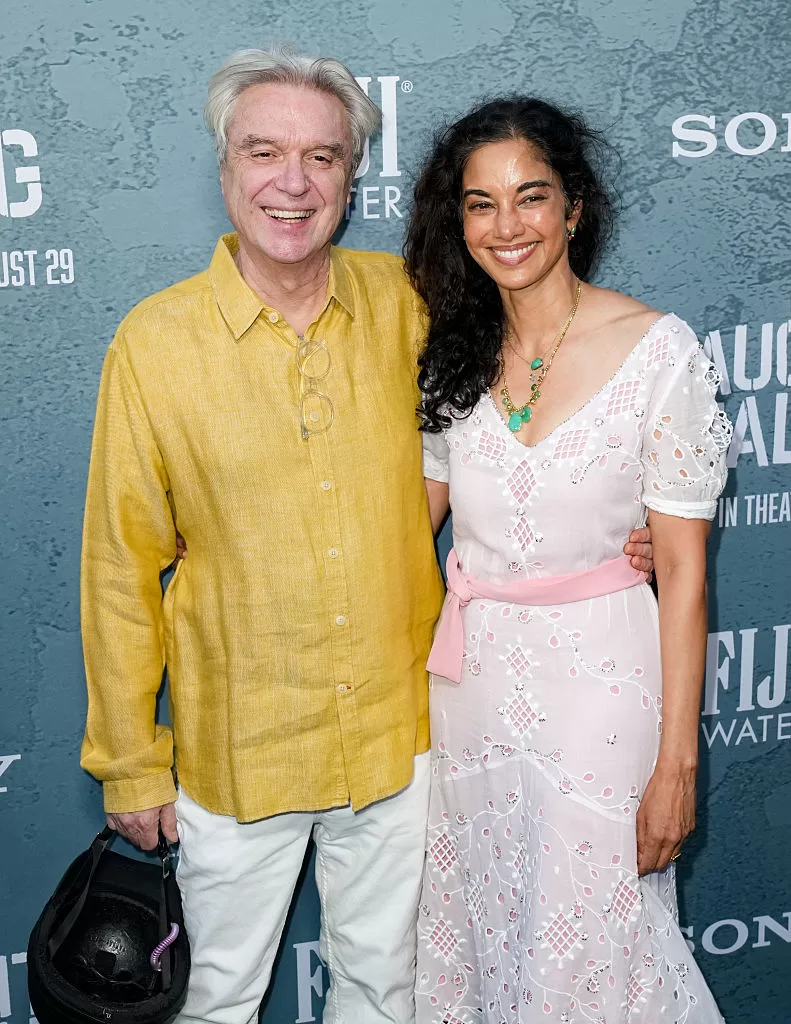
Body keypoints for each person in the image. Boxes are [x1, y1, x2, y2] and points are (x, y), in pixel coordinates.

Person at [79, 48, 653, 1024]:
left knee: (385, 995)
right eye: (264, 152)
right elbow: (117, 569)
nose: (293, 182)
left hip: (400, 741)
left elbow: (525, 398)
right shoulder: (155, 343)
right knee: (213, 1001)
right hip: (238, 750)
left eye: (323, 156)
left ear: (350, 177)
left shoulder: (410, 303)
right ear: (224, 166)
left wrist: (607, 522)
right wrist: (131, 761)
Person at [405, 98, 731, 1022]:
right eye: (480, 204)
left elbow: (685, 577)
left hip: (601, 695)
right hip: (469, 695)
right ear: (456, 221)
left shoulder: (656, 351)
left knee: (594, 942)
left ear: (573, 208)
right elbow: (399, 526)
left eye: (530, 196)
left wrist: (676, 765)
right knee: (479, 936)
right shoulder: (450, 355)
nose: (506, 226)